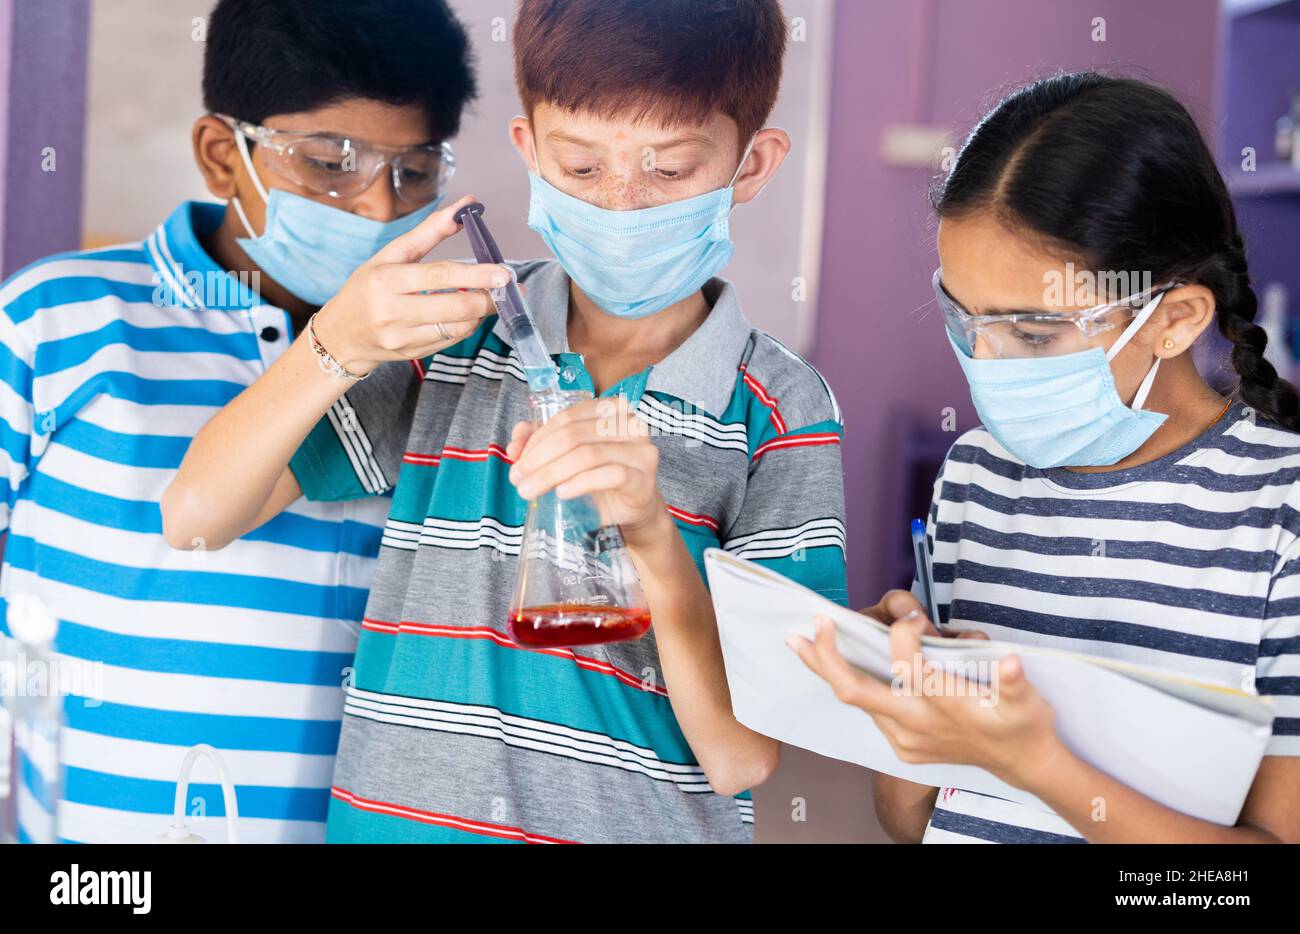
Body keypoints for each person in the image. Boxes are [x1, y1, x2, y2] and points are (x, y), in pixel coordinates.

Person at [164, 0, 847, 843]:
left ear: (751, 165)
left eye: (669, 171)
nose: (624, 205)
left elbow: (744, 760)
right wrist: (333, 342)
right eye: (582, 167)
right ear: (529, 151)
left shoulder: (781, 408)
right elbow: (195, 515)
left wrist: (657, 546)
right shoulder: (458, 333)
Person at [0, 0, 475, 842]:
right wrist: (332, 346)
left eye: (414, 170)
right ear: (224, 156)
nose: (377, 208)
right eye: (331, 162)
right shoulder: (52, 321)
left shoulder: (446, 366)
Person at [792, 72, 1300, 844]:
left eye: (1031, 335)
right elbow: (909, 822)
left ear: (1177, 319)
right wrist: (901, 697)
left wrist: (1035, 763)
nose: (989, 363)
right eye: (969, 323)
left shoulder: (1278, 513)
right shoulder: (976, 480)